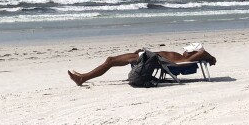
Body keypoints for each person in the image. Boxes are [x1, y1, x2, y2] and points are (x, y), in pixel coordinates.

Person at [67, 44, 216, 86]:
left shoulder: (184, 60)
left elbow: (203, 53)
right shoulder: (182, 57)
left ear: (192, 53)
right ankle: (83, 76)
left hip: (148, 59)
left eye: (187, 51)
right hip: (147, 56)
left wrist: (211, 57)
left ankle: (83, 78)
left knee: (111, 61)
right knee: (110, 60)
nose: (184, 52)